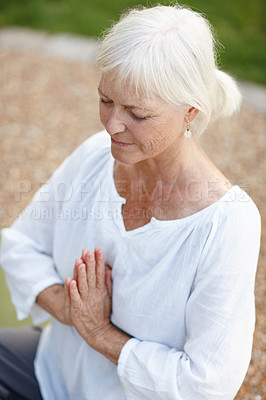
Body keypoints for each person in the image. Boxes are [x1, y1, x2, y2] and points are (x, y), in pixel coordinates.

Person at [0, 4, 261, 400]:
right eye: (106, 100)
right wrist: (67, 309)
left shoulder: (227, 223)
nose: (111, 125)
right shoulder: (94, 154)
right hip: (50, 374)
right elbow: (19, 244)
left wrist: (100, 334)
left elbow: (207, 384)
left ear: (190, 110)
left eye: (137, 113)